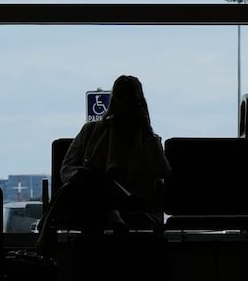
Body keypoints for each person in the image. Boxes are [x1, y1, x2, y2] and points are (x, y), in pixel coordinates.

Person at [38, 73, 171, 256]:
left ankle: (46, 223)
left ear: (139, 102)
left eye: (129, 98)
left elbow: (162, 171)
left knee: (94, 181)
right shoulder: (91, 131)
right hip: (91, 196)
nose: (124, 103)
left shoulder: (147, 138)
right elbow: (67, 169)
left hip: (130, 200)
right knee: (94, 179)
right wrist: (85, 178)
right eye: (120, 97)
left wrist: (147, 134)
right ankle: (113, 214)